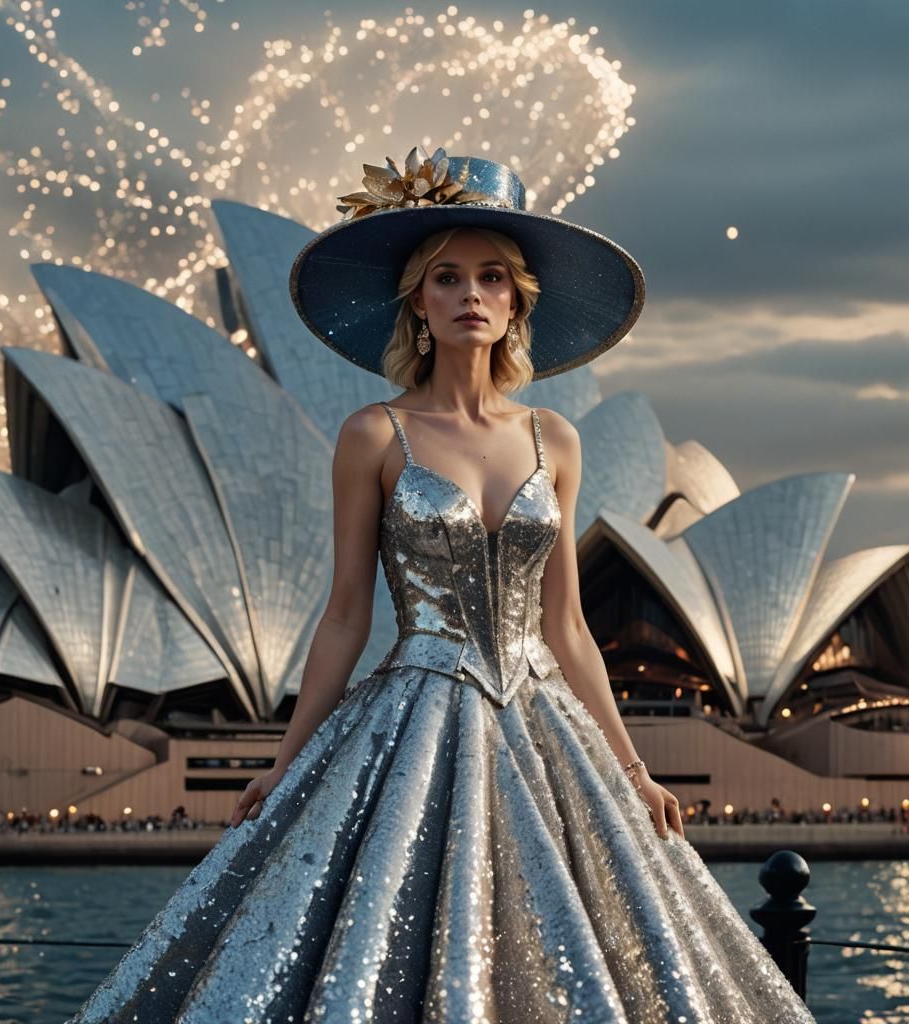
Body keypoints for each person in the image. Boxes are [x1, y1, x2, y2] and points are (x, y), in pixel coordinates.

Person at [66, 147, 816, 1022]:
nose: (471, 295)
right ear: (418, 302)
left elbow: (568, 626)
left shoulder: (555, 440)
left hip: (547, 728)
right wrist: (286, 759)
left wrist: (634, 769)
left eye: (492, 277)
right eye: (448, 277)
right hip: (414, 717)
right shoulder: (373, 435)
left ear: (516, 300)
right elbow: (345, 613)